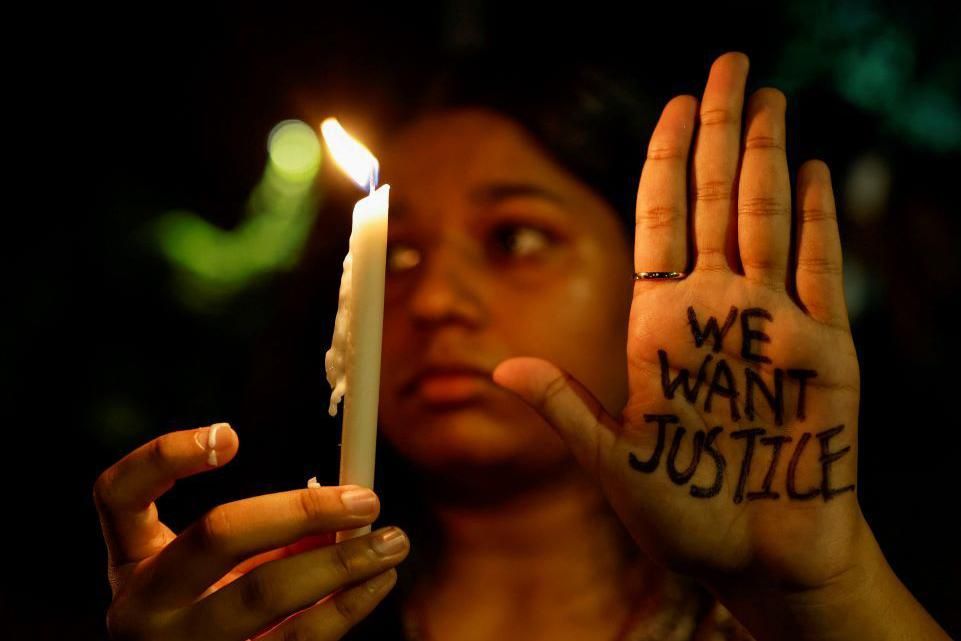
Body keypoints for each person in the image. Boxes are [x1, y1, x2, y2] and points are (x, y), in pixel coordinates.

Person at [93, 52, 953, 641]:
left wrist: (829, 599)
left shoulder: (836, 587)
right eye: (393, 259)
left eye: (515, 238)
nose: (432, 300)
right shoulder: (271, 618)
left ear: (651, 271)